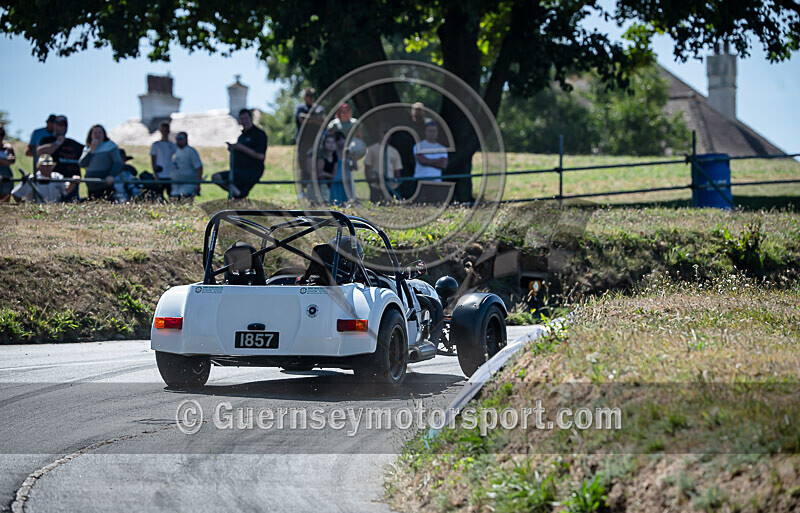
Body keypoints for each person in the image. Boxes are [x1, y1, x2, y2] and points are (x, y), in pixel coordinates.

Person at [212, 108, 267, 199]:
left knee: (217, 177)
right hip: (238, 172)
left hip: (251, 172)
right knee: (217, 179)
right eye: (242, 119)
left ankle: (239, 195)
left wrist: (241, 148)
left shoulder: (259, 134)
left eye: (246, 118)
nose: (244, 121)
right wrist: (233, 149)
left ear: (251, 118)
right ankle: (238, 194)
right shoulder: (241, 137)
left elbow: (260, 155)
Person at [37, 115, 83, 201]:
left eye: (64, 125)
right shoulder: (47, 140)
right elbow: (40, 152)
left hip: (73, 183)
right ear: (54, 125)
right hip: (54, 183)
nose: (62, 127)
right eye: (59, 124)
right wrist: (57, 143)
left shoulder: (75, 144)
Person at [11, 154, 78, 203]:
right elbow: (16, 194)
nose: (47, 168)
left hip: (54, 210)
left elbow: (66, 191)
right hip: (37, 211)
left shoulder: (57, 177)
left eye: (49, 166)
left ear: (52, 166)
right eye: (44, 166)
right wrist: (24, 206)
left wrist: (73, 181)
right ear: (39, 167)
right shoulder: (32, 179)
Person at [79, 124, 123, 201]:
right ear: (91, 135)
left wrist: (111, 175)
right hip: (91, 185)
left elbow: (118, 162)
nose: (97, 135)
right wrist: (92, 150)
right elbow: (82, 164)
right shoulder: (88, 148)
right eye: (95, 133)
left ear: (104, 134)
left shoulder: (110, 146)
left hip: (105, 183)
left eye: (100, 133)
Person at [364, 123, 403, 203]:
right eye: (384, 132)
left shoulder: (394, 151)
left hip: (390, 186)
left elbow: (397, 170)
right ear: (379, 133)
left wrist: (395, 183)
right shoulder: (372, 149)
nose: (386, 135)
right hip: (376, 186)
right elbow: (367, 167)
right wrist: (370, 180)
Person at [170, 132, 203, 200]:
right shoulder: (175, 151)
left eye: (181, 138)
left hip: (188, 187)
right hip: (175, 188)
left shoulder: (191, 151)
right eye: (177, 139)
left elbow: (199, 168)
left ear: (186, 139)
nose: (178, 141)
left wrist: (197, 184)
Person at [329, 131, 357, 204]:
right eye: (338, 140)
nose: (342, 141)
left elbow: (355, 167)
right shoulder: (333, 153)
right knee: (335, 203)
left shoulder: (350, 152)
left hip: (347, 182)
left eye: (343, 139)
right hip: (335, 182)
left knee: (347, 203)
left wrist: (353, 157)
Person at [150, 121, 176, 198]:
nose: (164, 132)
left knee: (171, 196)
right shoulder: (156, 145)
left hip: (170, 175)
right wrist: (155, 173)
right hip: (160, 175)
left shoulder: (172, 145)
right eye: (163, 130)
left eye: (166, 130)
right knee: (159, 196)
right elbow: (153, 159)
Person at [308, 133, 337, 203]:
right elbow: (319, 174)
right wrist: (328, 175)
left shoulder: (335, 157)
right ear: (324, 144)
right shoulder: (321, 157)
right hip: (317, 186)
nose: (331, 144)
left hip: (327, 186)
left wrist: (326, 174)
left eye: (333, 142)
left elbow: (333, 176)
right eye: (328, 142)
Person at [0, 125, 16, 202]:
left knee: (6, 196)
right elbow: (7, 160)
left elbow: (12, 160)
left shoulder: (8, 147)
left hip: (6, 174)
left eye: (1, 134)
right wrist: (4, 160)